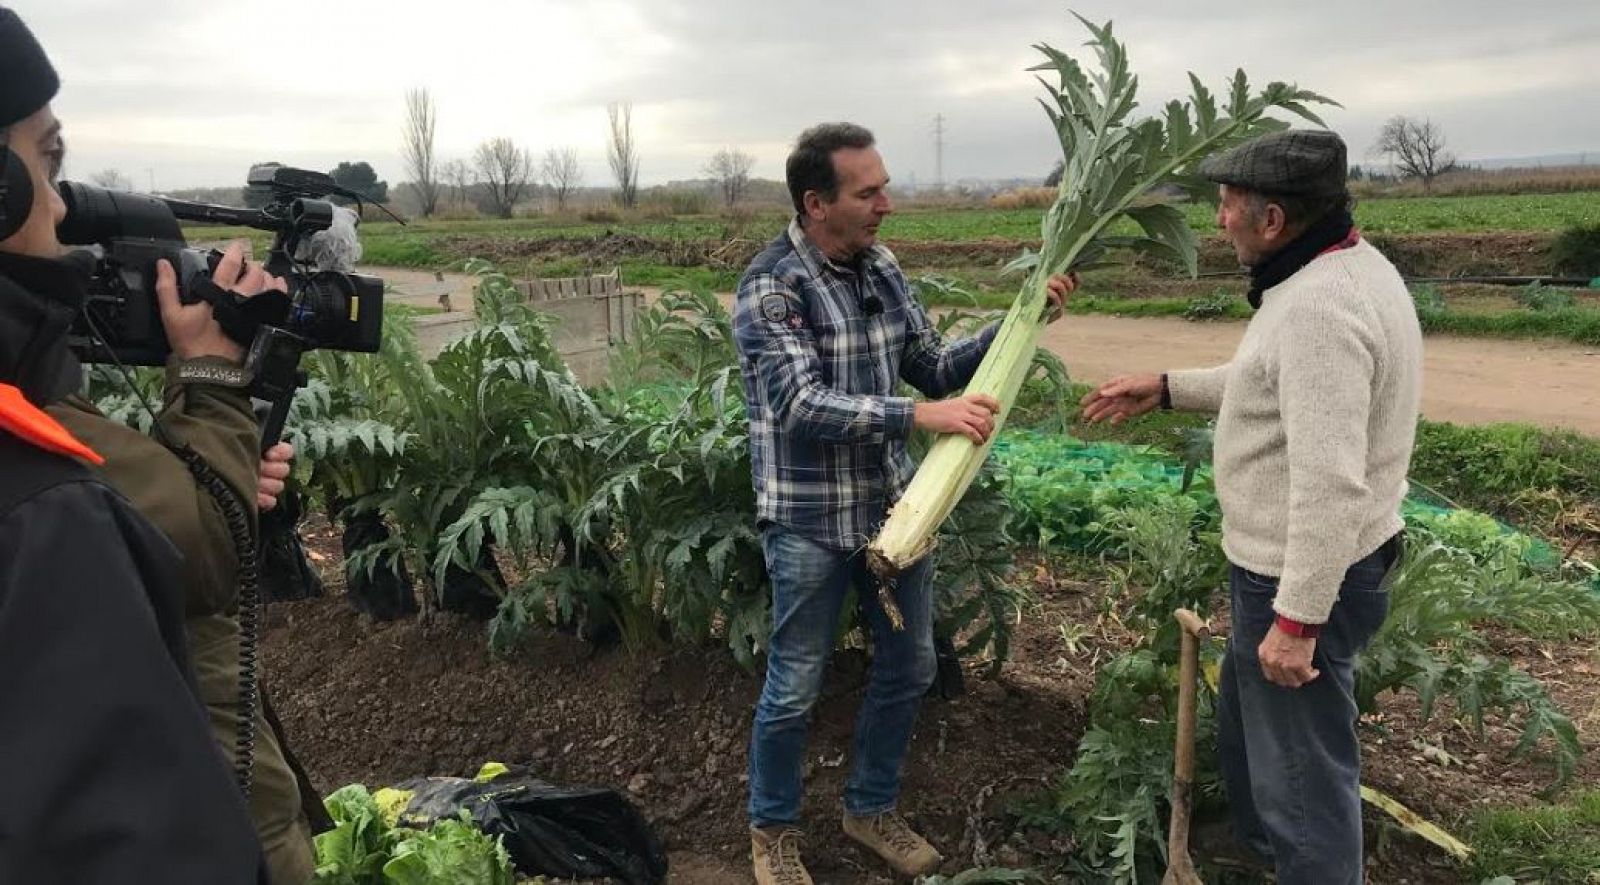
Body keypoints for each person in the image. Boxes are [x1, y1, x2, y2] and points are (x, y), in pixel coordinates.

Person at [733, 121, 1074, 884]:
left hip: (893, 517)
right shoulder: (771, 287)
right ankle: (773, 828)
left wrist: (1018, 320)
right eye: (869, 191)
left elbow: (930, 364)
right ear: (817, 202)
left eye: (884, 185)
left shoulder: (881, 266)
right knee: (794, 683)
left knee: (909, 663)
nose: (888, 202)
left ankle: (870, 805)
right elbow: (801, 405)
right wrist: (920, 418)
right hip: (810, 521)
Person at [1080, 129, 1422, 884]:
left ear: (1272, 219)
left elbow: (1332, 482)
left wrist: (1297, 621)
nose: (1218, 219)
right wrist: (1170, 385)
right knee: (1260, 737)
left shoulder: (1318, 310)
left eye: (1229, 205)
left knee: (1302, 778)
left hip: (1301, 576)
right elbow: (1271, 379)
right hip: (1306, 566)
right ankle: (1266, 856)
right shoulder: (1345, 268)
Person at [0, 7, 266, 881]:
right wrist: (214, 375)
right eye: (48, 161)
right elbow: (205, 541)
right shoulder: (46, 508)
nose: (60, 204)